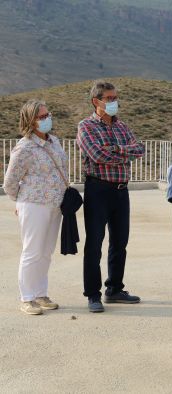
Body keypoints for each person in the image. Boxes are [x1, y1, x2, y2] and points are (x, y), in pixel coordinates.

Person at [77, 80, 145, 313]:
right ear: (96, 101)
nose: (114, 102)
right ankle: (93, 294)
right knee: (94, 244)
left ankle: (114, 289)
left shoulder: (122, 127)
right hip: (98, 190)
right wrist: (124, 153)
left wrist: (115, 150)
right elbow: (97, 155)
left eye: (115, 98)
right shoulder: (86, 127)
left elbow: (140, 149)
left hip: (120, 191)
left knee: (120, 242)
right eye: (109, 99)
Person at [3, 100, 67, 315]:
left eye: (47, 114)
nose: (47, 118)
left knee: (46, 252)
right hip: (34, 204)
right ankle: (27, 298)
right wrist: (20, 202)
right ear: (30, 121)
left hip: (55, 205)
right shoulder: (24, 147)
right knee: (32, 251)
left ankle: (41, 293)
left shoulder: (54, 142)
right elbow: (10, 181)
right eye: (41, 116)